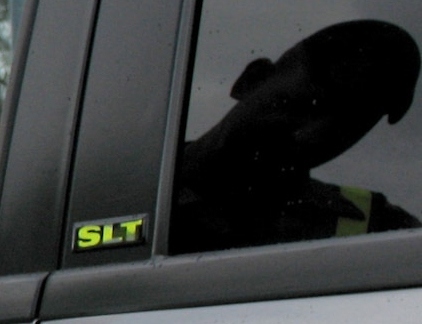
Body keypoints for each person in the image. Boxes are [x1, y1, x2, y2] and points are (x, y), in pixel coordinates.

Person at [174, 18, 422, 253]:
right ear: (252, 80)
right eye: (302, 107)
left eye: (338, 134)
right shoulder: (143, 195)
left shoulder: (381, 229)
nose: (309, 136)